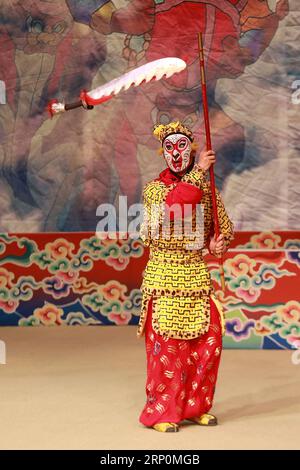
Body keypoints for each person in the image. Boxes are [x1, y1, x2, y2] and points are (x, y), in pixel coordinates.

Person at [137, 121, 234, 432]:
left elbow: (220, 228)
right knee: (169, 350)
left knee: (208, 344)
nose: (175, 153)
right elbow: (175, 210)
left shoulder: (205, 188)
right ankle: (162, 413)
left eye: (181, 146)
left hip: (196, 277)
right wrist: (199, 172)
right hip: (164, 278)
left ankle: (195, 406)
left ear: (191, 150)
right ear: (162, 152)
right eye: (169, 147)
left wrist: (214, 244)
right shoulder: (155, 190)